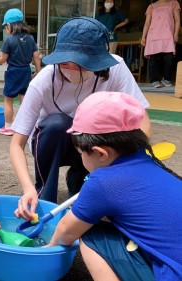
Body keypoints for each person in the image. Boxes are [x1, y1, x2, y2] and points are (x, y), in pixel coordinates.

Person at [10, 17, 152, 221]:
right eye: (66, 62)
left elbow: (141, 120)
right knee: (57, 123)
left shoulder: (115, 68)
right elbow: (17, 144)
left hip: (91, 141)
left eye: (83, 64)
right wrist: (27, 188)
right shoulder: (42, 81)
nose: (73, 68)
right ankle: (44, 195)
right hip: (53, 141)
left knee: (106, 126)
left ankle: (81, 182)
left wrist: (135, 156)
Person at [48, 91, 182, 281]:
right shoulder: (150, 163)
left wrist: (47, 248)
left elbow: (65, 233)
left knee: (91, 234)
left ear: (100, 153)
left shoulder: (103, 182)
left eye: (80, 154)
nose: (81, 159)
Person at [0, 8, 41, 136]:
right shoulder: (30, 38)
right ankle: (27, 126)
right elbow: (36, 56)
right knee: (24, 99)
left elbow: (3, 59)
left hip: (13, 72)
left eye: (5, 26)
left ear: (9, 25)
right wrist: (38, 71)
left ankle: (8, 127)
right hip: (26, 71)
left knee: (8, 100)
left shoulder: (9, 40)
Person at [141, 0, 180, 88]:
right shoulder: (151, 6)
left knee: (169, 58)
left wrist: (176, 34)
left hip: (168, 35)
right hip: (153, 36)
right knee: (153, 60)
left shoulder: (174, 3)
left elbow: (177, 20)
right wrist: (143, 36)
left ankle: (166, 79)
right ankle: (154, 80)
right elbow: (147, 23)